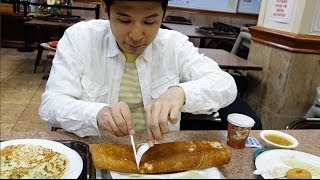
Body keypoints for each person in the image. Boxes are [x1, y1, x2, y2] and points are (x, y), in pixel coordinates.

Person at [39, 0, 237, 147]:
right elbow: (51, 104)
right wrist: (97, 113)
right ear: (106, 9)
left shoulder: (174, 45)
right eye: (124, 20)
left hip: (157, 153)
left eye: (150, 22)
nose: (135, 35)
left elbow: (225, 84)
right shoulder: (80, 39)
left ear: (163, 15)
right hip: (96, 149)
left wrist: (181, 93)